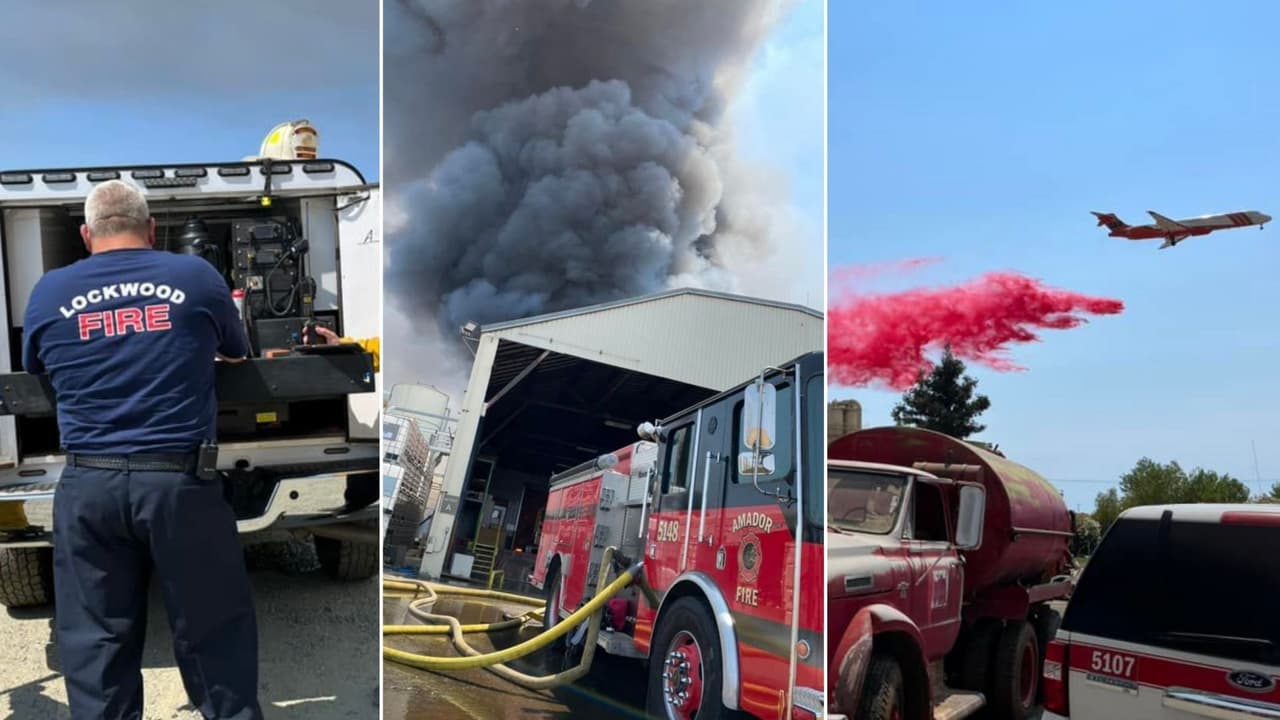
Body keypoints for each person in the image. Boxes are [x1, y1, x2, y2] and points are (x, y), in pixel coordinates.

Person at [21, 180, 263, 720]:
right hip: (179, 483)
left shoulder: (50, 291)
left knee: (97, 642)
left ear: (86, 235)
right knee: (212, 629)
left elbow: (37, 366)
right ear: (153, 230)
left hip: (88, 485)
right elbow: (236, 351)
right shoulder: (194, 275)